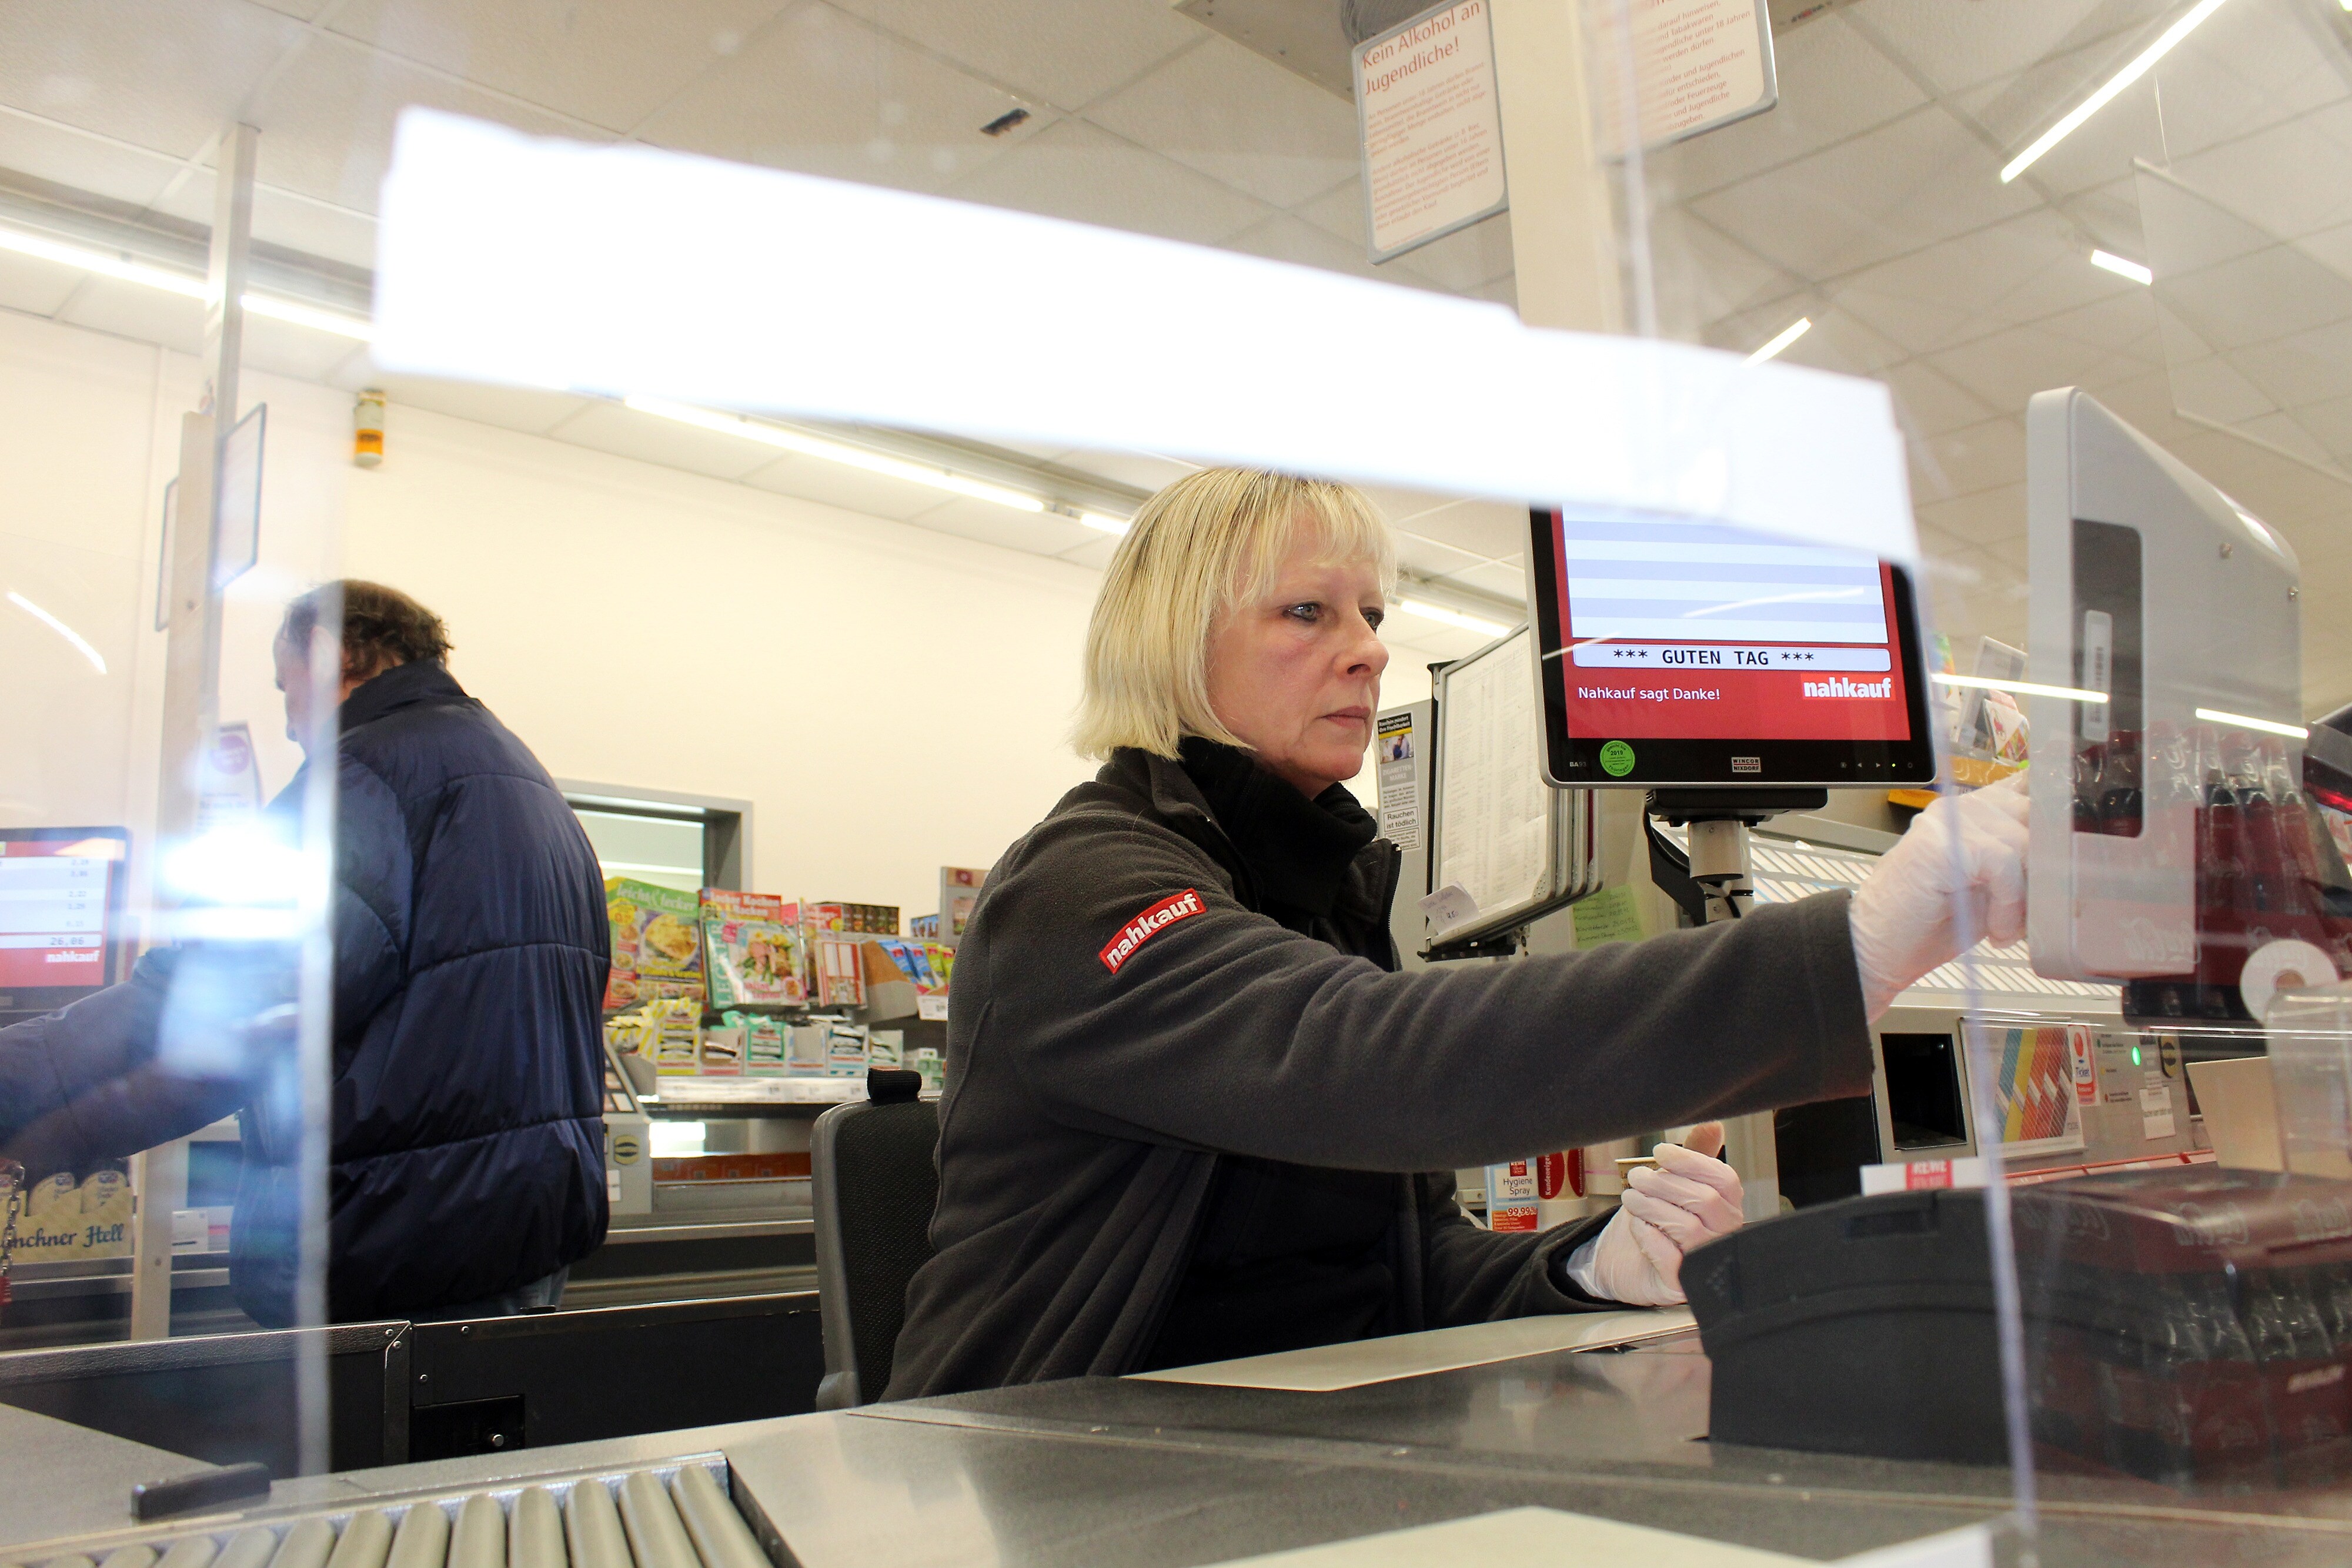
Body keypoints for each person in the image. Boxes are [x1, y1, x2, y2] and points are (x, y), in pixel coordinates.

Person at [885, 469, 2028, 1399]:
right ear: (1174, 640)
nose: (1366, 648)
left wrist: (1585, 1262)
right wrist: (1863, 939)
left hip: (1292, 1445)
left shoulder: (1315, 894)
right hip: (1051, 1461)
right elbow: (1365, 1057)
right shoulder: (1081, 888)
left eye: (1370, 615)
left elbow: (1407, 1264)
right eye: (1306, 611)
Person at [0, 582, 612, 1325]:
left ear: (328, 655)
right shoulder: (525, 781)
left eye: (287, 689)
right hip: (519, 1231)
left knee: (377, 1443)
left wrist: (23, 1098)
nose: (291, 726)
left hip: (396, 1244)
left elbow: (227, 995)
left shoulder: (362, 777)